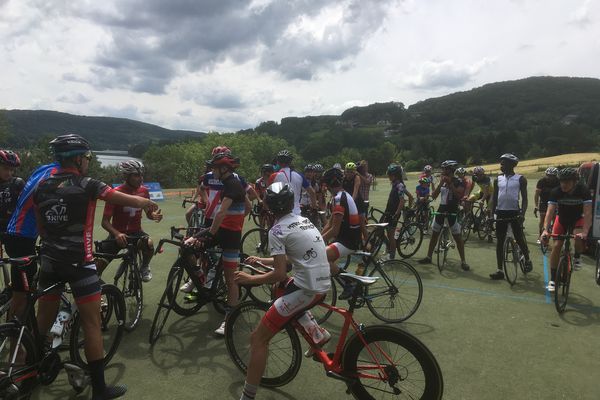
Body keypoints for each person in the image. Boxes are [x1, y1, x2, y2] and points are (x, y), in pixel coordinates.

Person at [33, 134, 159, 400]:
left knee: (42, 321)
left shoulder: (42, 186)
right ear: (78, 158)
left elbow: (42, 228)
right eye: (87, 158)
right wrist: (146, 202)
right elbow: (120, 197)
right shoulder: (88, 183)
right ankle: (100, 390)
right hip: (79, 262)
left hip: (49, 261)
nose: (88, 162)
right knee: (92, 323)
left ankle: (32, 370)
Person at [234, 182, 331, 400]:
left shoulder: (277, 230)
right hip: (320, 285)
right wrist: (261, 260)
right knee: (281, 288)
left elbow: (278, 272)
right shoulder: (303, 220)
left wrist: (251, 279)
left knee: (258, 339)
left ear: (268, 206)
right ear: (291, 203)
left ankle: (247, 397)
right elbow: (288, 260)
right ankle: (317, 333)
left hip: (308, 290)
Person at [185, 151, 249, 335]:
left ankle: (229, 320)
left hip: (228, 236)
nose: (211, 171)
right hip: (224, 232)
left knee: (231, 280)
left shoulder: (233, 185)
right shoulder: (227, 183)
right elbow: (248, 207)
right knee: (187, 246)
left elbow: (221, 214)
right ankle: (202, 279)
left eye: (214, 168)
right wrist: (237, 221)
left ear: (223, 169)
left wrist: (209, 234)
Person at [4, 159, 59, 323]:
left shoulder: (44, 168)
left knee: (23, 290)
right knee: (22, 296)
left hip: (17, 235)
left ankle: (22, 331)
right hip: (22, 237)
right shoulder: (58, 176)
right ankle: (16, 341)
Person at [98, 160, 163, 281]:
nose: (141, 179)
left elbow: (148, 213)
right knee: (98, 266)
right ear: (126, 176)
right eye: (136, 175)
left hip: (136, 232)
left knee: (148, 243)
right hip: (117, 234)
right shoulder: (115, 193)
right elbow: (105, 222)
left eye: (141, 175)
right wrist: (117, 234)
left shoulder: (144, 191)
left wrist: (153, 215)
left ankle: (144, 267)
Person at [541, 168, 592, 290]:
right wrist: (545, 230)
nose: (563, 184)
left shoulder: (583, 191)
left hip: (577, 219)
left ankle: (577, 256)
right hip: (562, 219)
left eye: (567, 182)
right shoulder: (556, 191)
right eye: (562, 181)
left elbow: (588, 213)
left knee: (578, 237)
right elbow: (550, 212)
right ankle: (553, 280)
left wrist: (585, 232)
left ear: (575, 182)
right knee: (557, 245)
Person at [418, 160, 470, 271]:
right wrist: (441, 183)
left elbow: (459, 195)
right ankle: (428, 256)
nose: (443, 171)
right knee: (435, 234)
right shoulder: (442, 180)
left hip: (452, 209)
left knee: (457, 236)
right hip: (442, 208)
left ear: (450, 170)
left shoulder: (459, 181)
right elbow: (435, 195)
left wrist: (450, 184)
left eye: (444, 169)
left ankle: (463, 261)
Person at [488, 153, 532, 280]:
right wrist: (491, 214)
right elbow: (494, 198)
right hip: (501, 212)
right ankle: (499, 270)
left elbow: (524, 199)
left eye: (504, 163)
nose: (501, 165)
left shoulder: (520, 179)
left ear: (512, 165)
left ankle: (527, 259)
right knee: (500, 242)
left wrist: (522, 214)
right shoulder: (498, 179)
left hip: (514, 212)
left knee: (518, 237)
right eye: (501, 163)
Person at [320, 168, 361, 300]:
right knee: (324, 257)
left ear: (330, 183)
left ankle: (349, 284)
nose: (325, 187)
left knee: (321, 258)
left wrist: (318, 241)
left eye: (326, 184)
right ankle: (349, 282)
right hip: (346, 238)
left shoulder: (338, 199)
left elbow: (334, 230)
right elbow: (330, 223)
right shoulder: (341, 196)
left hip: (348, 241)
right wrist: (317, 237)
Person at [269, 150, 317, 215]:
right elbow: (312, 193)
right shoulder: (300, 176)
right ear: (290, 162)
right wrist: (314, 208)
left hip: (281, 213)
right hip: (297, 212)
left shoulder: (273, 176)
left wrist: (266, 207)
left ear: (278, 162)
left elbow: (267, 195)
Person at [382, 164, 414, 261]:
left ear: (395, 175)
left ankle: (392, 256)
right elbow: (410, 196)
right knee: (379, 230)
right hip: (388, 211)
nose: (388, 177)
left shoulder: (399, 185)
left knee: (390, 235)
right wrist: (408, 207)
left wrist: (398, 212)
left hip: (393, 213)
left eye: (390, 175)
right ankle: (388, 246)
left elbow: (402, 200)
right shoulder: (396, 184)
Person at [342, 162, 367, 240]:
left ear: (355, 172)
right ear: (345, 171)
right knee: (348, 223)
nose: (349, 173)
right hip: (348, 202)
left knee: (361, 224)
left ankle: (367, 242)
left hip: (358, 202)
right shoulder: (343, 178)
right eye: (348, 171)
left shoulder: (357, 178)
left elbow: (355, 191)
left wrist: (350, 202)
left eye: (351, 172)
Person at [534, 167, 559, 238]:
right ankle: (540, 235)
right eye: (548, 175)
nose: (550, 177)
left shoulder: (558, 181)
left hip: (555, 202)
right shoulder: (541, 181)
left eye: (552, 176)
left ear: (556, 176)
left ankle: (555, 235)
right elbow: (537, 194)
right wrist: (536, 205)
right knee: (542, 218)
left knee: (555, 219)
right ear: (546, 174)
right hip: (544, 201)